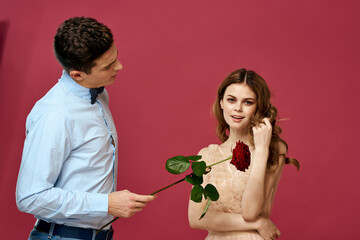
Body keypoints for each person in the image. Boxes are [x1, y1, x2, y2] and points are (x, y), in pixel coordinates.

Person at [16, 17, 155, 240]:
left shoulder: (99, 94)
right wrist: (106, 204)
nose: (119, 66)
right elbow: (30, 197)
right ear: (77, 75)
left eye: (116, 57)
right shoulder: (54, 115)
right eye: (108, 66)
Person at [188, 68, 299, 240]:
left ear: (258, 107)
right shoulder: (207, 156)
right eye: (232, 100)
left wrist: (261, 151)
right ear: (222, 103)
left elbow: (251, 212)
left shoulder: (274, 149)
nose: (238, 108)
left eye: (248, 102)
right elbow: (196, 218)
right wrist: (259, 224)